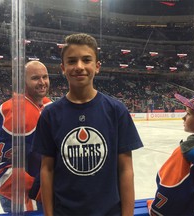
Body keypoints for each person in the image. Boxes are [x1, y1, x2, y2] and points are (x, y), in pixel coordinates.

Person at [32, 33, 144, 216]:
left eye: (86, 60)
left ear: (97, 66)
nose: (79, 67)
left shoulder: (116, 111)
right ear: (63, 67)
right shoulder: (50, 115)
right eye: (72, 61)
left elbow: (125, 169)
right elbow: (47, 169)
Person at [0, 60, 51, 213]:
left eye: (45, 77)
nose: (42, 82)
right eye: (35, 78)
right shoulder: (19, 112)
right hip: (28, 198)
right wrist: (39, 191)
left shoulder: (46, 104)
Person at [147, 93, 194, 215]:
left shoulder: (184, 153)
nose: (184, 117)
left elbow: (168, 194)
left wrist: (153, 209)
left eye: (189, 113)